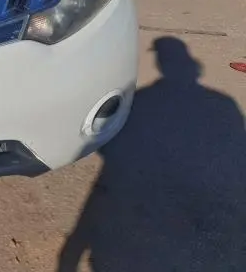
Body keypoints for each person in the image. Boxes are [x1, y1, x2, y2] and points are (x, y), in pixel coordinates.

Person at [57, 36, 246, 272]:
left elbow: (109, 155)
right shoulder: (223, 105)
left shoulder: (141, 101)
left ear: (160, 63)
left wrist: (73, 249)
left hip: (141, 231)